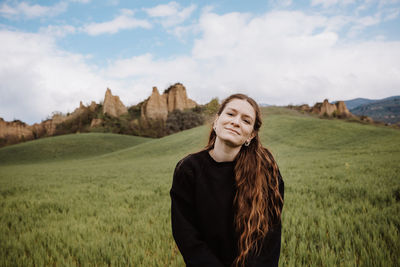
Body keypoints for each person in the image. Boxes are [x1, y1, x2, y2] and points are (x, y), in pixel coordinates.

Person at [170, 94, 284, 267]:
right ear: (216, 121)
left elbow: (270, 234)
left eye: (246, 120)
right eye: (231, 114)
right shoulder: (188, 169)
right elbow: (186, 235)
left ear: (251, 135)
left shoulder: (266, 169)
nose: (236, 122)